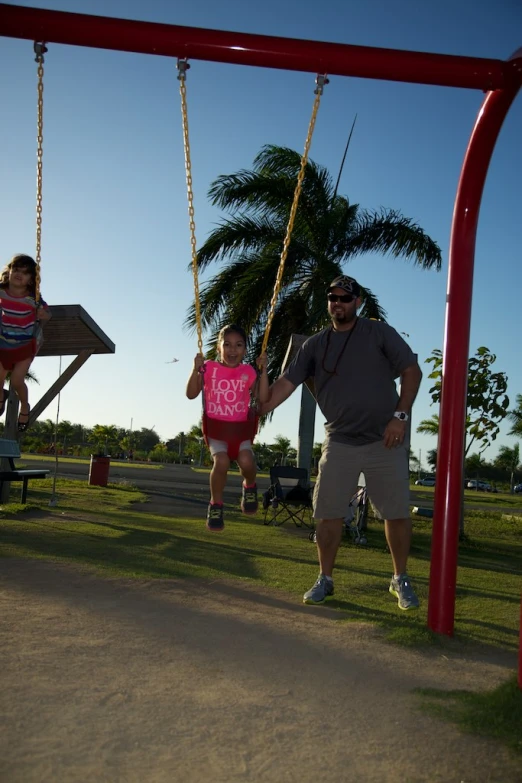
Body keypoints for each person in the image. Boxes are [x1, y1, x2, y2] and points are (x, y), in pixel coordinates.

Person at [261, 275, 423, 610]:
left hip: (385, 439)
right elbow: (286, 383)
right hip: (340, 440)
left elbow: (411, 371)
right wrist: (260, 405)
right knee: (328, 513)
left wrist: (401, 417)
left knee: (395, 513)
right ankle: (325, 579)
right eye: (332, 297)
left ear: (358, 302)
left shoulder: (378, 333)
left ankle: (400, 578)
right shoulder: (315, 345)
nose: (338, 303)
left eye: (345, 298)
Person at [186, 324, 269, 532]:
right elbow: (191, 394)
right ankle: (216, 504)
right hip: (217, 431)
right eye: (227, 344)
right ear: (219, 347)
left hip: (241, 431)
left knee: (247, 460)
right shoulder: (209, 368)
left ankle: (249, 486)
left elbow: (263, 398)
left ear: (245, 349)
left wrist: (263, 371)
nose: (233, 350)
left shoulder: (248, 371)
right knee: (221, 461)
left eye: (239, 345)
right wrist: (195, 369)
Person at [0, 254, 52, 431]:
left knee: (16, 380)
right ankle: (1, 398)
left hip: (25, 345)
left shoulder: (33, 298)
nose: (19, 274)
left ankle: (24, 406)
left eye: (25, 272)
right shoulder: (1, 291)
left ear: (31, 280)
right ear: (9, 272)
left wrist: (44, 316)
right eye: (16, 270)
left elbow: (47, 315)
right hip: (4, 341)